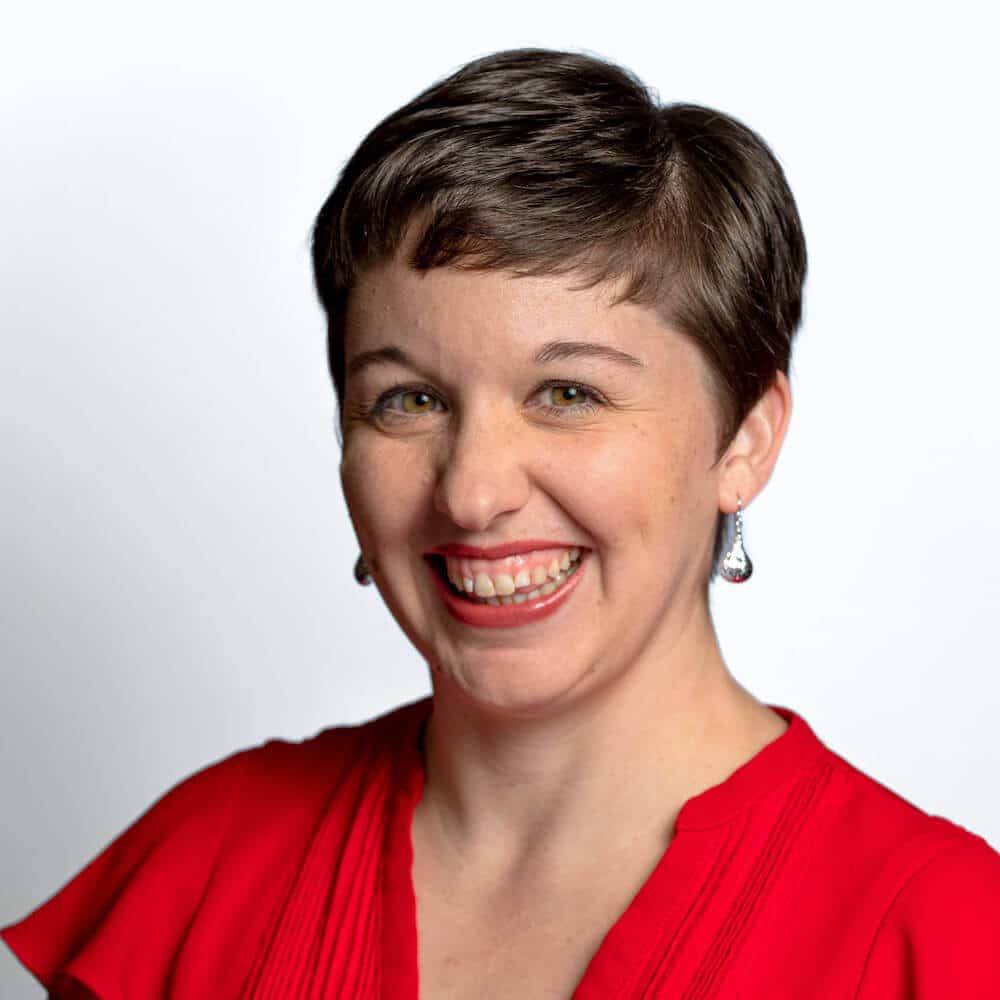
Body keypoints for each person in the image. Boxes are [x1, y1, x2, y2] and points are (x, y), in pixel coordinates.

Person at [3, 47, 999, 999]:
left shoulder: (942, 932)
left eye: (567, 393)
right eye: (408, 400)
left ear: (745, 438)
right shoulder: (206, 864)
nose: (471, 494)